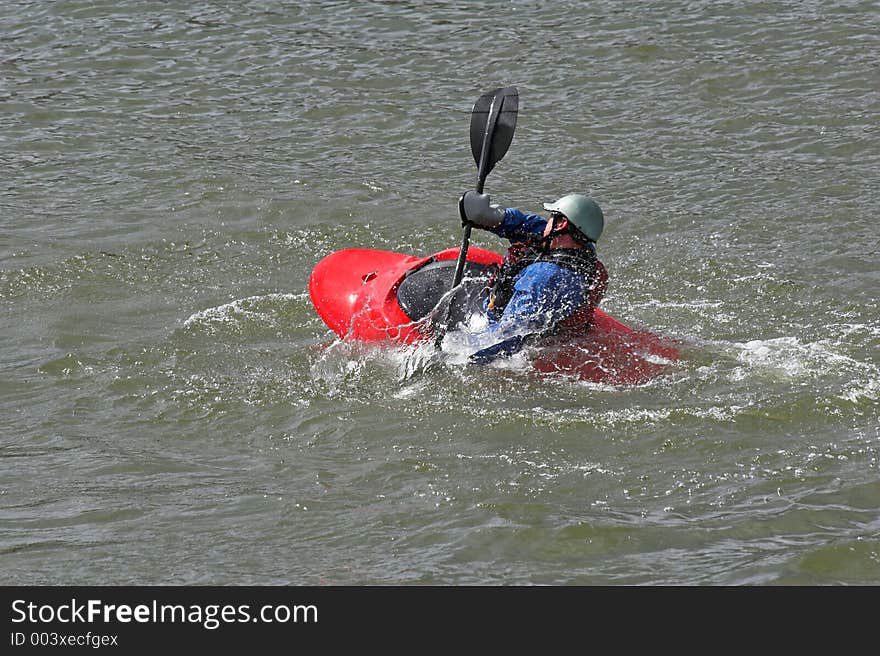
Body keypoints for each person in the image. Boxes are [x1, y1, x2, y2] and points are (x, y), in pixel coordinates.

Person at [455, 190, 608, 363]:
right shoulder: (580, 249)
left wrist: (463, 356)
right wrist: (494, 217)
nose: (548, 220)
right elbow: (529, 226)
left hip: (509, 337)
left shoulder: (544, 278)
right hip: (557, 321)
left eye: (552, 216)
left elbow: (506, 335)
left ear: (561, 224)